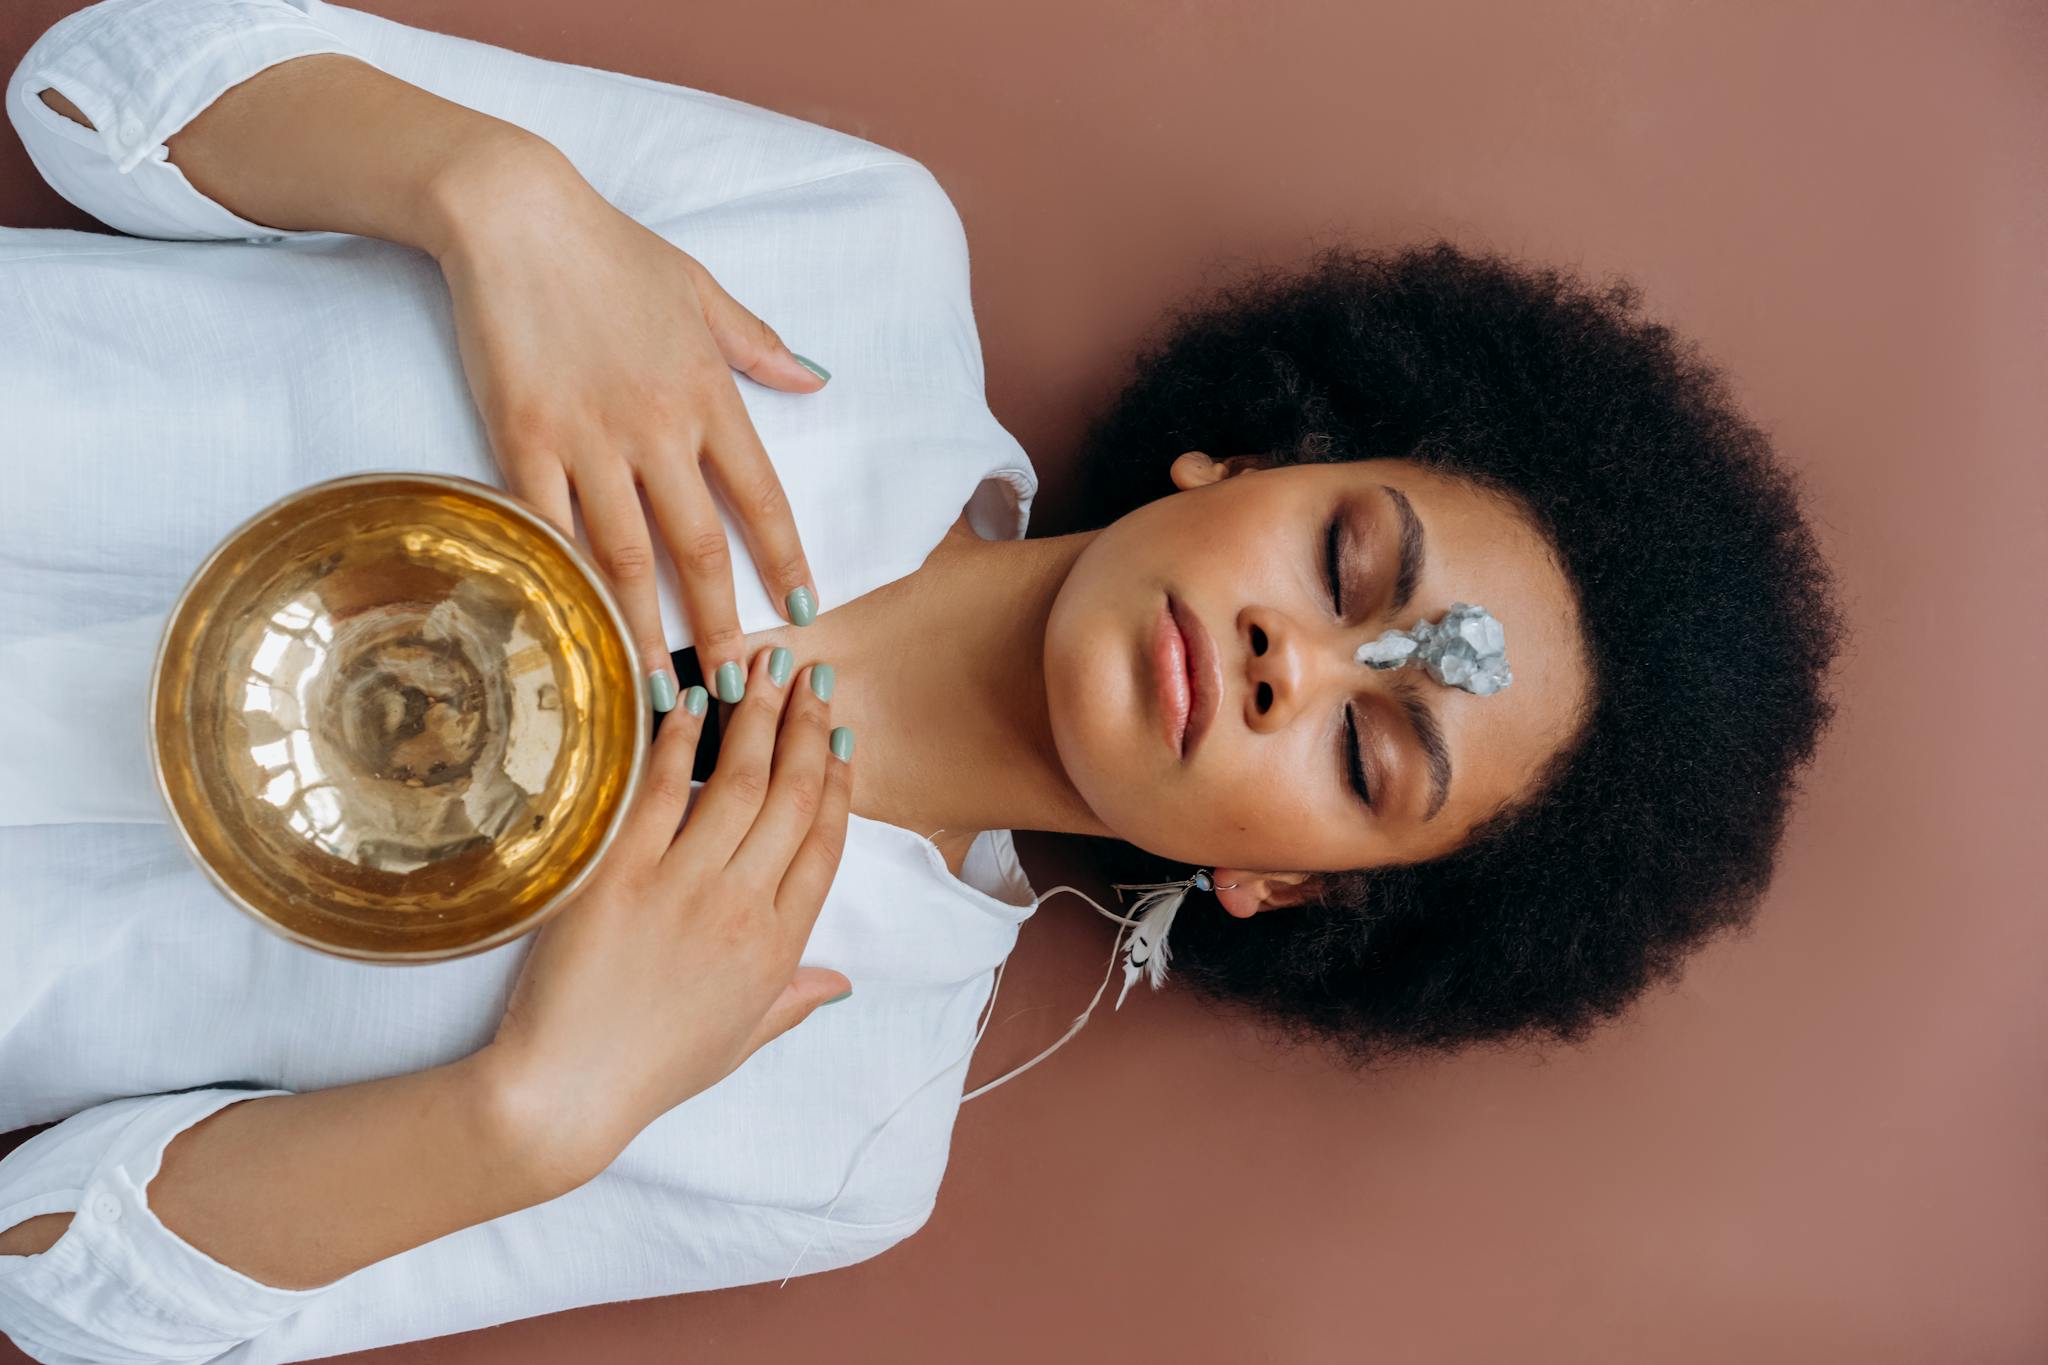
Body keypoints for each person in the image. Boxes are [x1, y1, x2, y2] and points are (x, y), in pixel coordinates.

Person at [0, 1, 1847, 1361]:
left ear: (1289, 890)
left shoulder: (835, 1137)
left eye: (1374, 754)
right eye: (1348, 562)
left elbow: (44, 1267)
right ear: (1247, 460)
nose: (1297, 658)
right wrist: (499, 197)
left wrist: (530, 1120)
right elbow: (87, 87)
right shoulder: (857, 249)